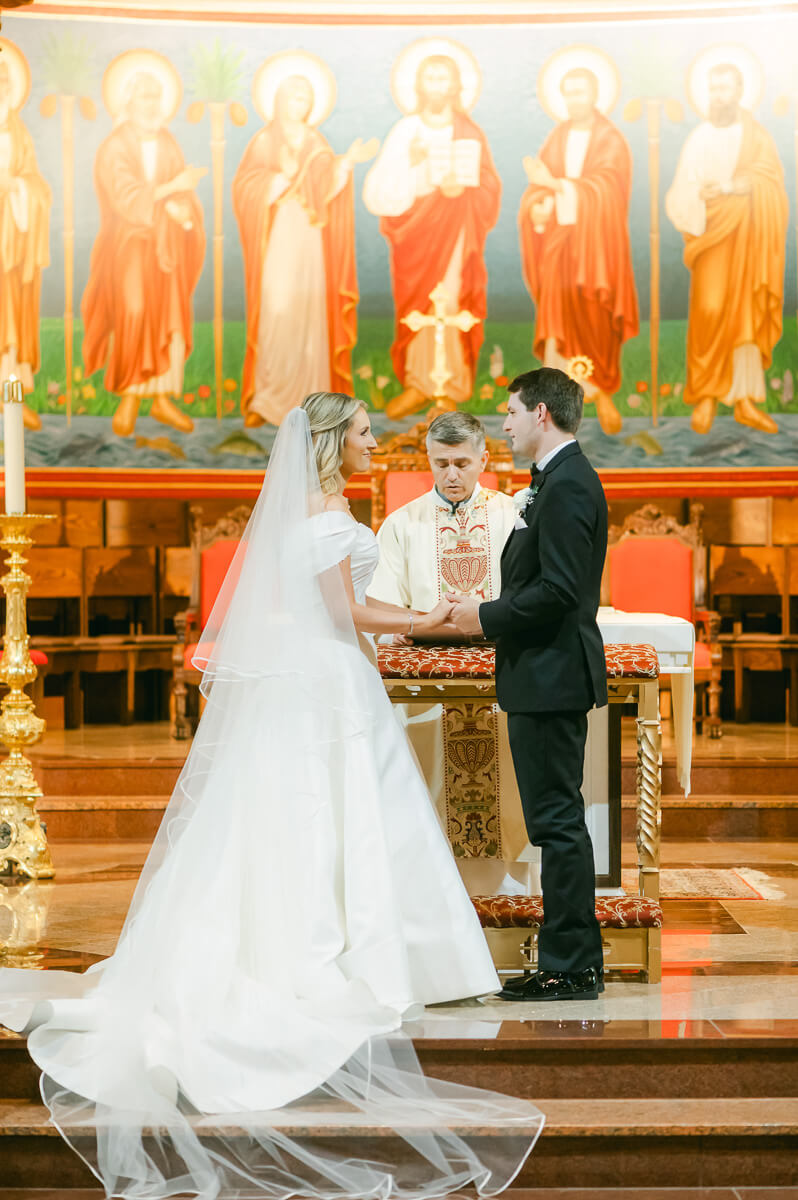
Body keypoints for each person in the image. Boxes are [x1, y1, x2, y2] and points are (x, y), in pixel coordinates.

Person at [0, 390, 543, 1196]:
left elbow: (347, 613)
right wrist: (429, 620)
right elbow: (344, 611)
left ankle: (376, 946)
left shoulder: (320, 510)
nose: (373, 443)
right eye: (363, 433)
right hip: (330, 679)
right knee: (344, 816)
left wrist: (413, 617)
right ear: (332, 442)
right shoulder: (326, 516)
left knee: (330, 817)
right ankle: (356, 956)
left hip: (324, 672)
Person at [447, 367, 606, 1002]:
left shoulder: (567, 486)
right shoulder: (553, 481)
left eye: (511, 413)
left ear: (541, 414)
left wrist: (482, 616)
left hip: (551, 674)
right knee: (555, 820)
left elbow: (560, 590)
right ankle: (572, 958)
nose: (505, 424)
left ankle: (571, 965)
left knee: (557, 823)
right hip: (540, 673)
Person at [368, 410, 537, 893]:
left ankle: (515, 898)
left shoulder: (512, 517)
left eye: (462, 462)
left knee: (513, 794)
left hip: (503, 684)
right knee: (427, 796)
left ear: (485, 458)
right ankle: (429, 896)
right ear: (429, 459)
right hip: (428, 690)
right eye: (441, 463)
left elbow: (529, 598)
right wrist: (420, 624)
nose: (451, 474)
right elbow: (381, 607)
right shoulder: (402, 524)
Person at [233, 75, 376, 428]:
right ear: (279, 100)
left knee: (311, 317)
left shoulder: (315, 141)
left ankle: (314, 405)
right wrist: (274, 182)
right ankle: (267, 399)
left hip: (310, 238)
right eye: (292, 97)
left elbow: (327, 189)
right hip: (278, 235)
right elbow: (244, 188)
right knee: (276, 312)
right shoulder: (264, 141)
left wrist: (345, 164)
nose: (297, 104)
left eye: (304, 98)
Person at [363, 54, 501, 419]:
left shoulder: (469, 132)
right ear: (418, 86)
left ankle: (448, 388)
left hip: (456, 230)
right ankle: (417, 384)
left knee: (450, 302)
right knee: (418, 307)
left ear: (456, 86)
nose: (438, 87)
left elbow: (489, 185)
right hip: (415, 236)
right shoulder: (406, 130)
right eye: (431, 79)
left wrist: (464, 191)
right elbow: (377, 191)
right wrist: (413, 166)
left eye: (444, 79)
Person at [665, 61, 788, 435]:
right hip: (712, 235)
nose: (720, 95)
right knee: (710, 309)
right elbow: (682, 189)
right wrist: (699, 196)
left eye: (727, 88)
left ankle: (745, 400)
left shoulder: (757, 136)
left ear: (739, 92)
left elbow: (772, 183)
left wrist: (735, 187)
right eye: (714, 89)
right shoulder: (699, 137)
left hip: (750, 234)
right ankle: (706, 395)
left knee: (746, 314)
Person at [82, 71, 206, 438]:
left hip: (166, 245)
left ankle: (163, 399)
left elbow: (182, 195)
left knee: (170, 315)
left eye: (157, 97)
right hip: (128, 244)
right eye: (144, 97)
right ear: (128, 103)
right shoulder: (115, 146)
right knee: (133, 311)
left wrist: (185, 214)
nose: (152, 105)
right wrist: (171, 190)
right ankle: (130, 397)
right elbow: (126, 198)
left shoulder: (168, 143)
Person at [519, 67, 638, 436]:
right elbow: (538, 191)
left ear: (595, 96)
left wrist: (555, 187)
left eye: (581, 92)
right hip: (559, 246)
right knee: (559, 315)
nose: (574, 100)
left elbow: (609, 190)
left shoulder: (610, 139)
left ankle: (599, 392)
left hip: (597, 248)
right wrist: (538, 210)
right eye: (568, 93)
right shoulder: (557, 138)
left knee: (594, 317)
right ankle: (552, 403)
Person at [0, 59, 51, 431]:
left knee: (11, 317)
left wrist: (16, 188)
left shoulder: (18, 133)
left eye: (4, 81)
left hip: (11, 242)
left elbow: (35, 184)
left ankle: (10, 398)